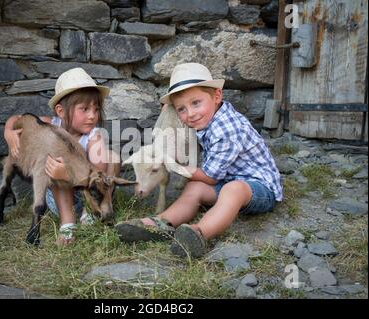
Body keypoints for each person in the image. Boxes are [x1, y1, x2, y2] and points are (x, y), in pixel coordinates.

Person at [115, 63, 283, 258]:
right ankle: (160, 223)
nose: (190, 114)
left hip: (259, 188)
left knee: (232, 189)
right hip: (228, 179)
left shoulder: (227, 129)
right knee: (194, 187)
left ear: (217, 96)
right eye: (182, 109)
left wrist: (176, 166)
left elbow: (211, 177)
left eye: (196, 103)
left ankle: (199, 234)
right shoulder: (210, 118)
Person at [4, 67, 112, 246]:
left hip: (87, 196)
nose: (92, 116)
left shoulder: (94, 137)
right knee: (53, 161)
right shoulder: (49, 125)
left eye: (96, 109)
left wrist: (68, 174)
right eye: (84, 109)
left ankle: (90, 213)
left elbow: (97, 177)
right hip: (59, 200)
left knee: (110, 157)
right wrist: (9, 132)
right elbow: (17, 118)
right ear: (60, 111)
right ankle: (67, 222)